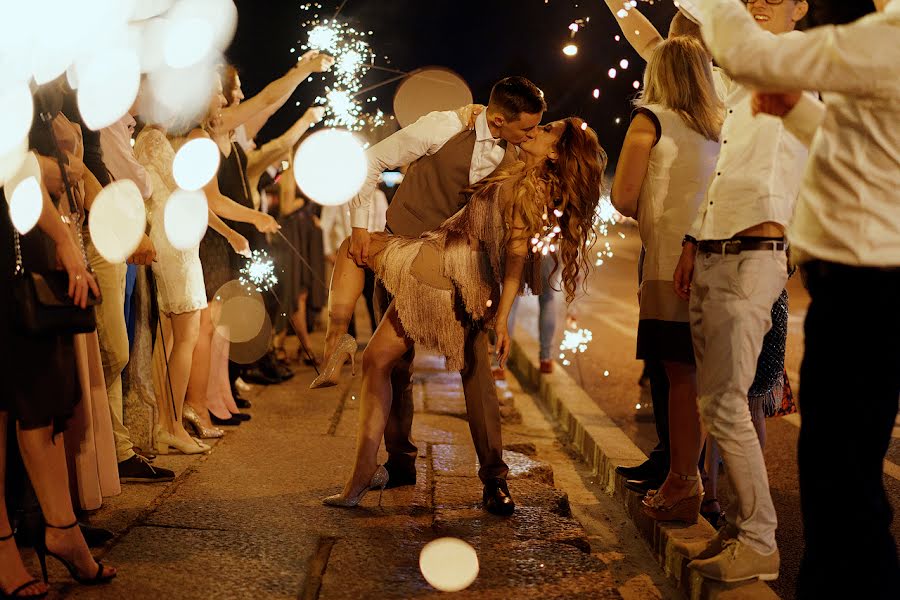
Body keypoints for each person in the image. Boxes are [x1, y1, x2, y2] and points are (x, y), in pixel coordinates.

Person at [695, 0, 899, 596]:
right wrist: (801, 114)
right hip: (864, 281)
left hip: (867, 283)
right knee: (843, 475)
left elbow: (747, 52)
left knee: (841, 484)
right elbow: (866, 149)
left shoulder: (886, 37)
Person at [316, 116, 605, 513]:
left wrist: (502, 318)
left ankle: (371, 464)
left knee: (406, 360)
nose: (536, 130)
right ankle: (423, 467)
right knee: (390, 354)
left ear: (555, 151)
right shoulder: (517, 163)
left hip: (445, 275)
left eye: (546, 129)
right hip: (440, 261)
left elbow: (517, 257)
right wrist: (476, 114)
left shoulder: (527, 185)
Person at [342, 77, 547, 515]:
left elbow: (515, 243)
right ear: (497, 119)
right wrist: (361, 227)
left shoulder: (519, 160)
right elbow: (371, 159)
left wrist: (502, 312)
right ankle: (401, 462)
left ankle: (494, 479)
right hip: (400, 248)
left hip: (458, 270)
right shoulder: (443, 126)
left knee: (475, 367)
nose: (531, 137)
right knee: (396, 363)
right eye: (526, 130)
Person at [671, 0, 822, 583]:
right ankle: (737, 529)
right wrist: (694, 239)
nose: (755, 2)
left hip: (754, 256)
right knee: (718, 404)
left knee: (731, 404)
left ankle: (760, 541)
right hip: (716, 250)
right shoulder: (735, 82)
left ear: (800, 6)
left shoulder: (795, 60)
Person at [611, 36, 723, 525]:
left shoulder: (650, 118)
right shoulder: (721, 124)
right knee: (716, 381)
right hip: (722, 260)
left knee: (680, 376)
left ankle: (682, 481)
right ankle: (716, 490)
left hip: (669, 264)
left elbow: (623, 194)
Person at [1, 156, 116, 596]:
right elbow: (13, 159)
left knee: (38, 394)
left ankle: (62, 528)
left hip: (21, 227)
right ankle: (4, 547)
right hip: (21, 221)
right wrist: (65, 238)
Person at [96, 104, 176, 483]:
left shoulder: (121, 120)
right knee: (114, 349)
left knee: (117, 346)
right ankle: (103, 447)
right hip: (106, 234)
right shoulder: (104, 114)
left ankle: (118, 451)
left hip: (117, 235)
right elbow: (136, 180)